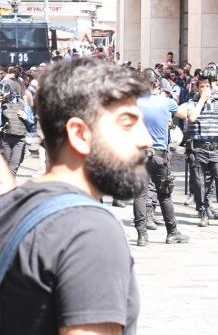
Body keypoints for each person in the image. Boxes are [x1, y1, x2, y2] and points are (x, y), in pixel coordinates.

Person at [0, 58, 145, 334]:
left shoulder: (11, 207)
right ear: (79, 134)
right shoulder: (89, 229)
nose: (145, 138)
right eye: (127, 123)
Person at [133, 77, 190, 246]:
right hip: (159, 155)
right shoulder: (166, 102)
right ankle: (172, 232)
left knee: (140, 195)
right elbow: (183, 114)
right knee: (164, 194)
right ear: (157, 86)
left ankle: (142, 236)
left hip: (139, 154)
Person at [187, 65, 218, 228]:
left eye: (208, 86)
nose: (205, 89)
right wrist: (202, 99)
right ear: (197, 88)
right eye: (202, 86)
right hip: (199, 147)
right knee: (199, 183)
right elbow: (192, 118)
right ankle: (203, 212)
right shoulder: (192, 102)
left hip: (215, 148)